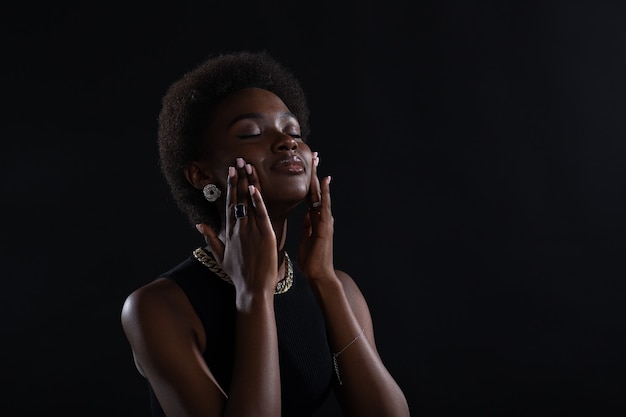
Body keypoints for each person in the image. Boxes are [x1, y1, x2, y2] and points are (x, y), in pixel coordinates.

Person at [120, 50, 410, 417]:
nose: (288, 142)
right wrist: (253, 295)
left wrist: (323, 280)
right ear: (201, 175)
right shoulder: (158, 308)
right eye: (250, 133)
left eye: (293, 132)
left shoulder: (338, 289)